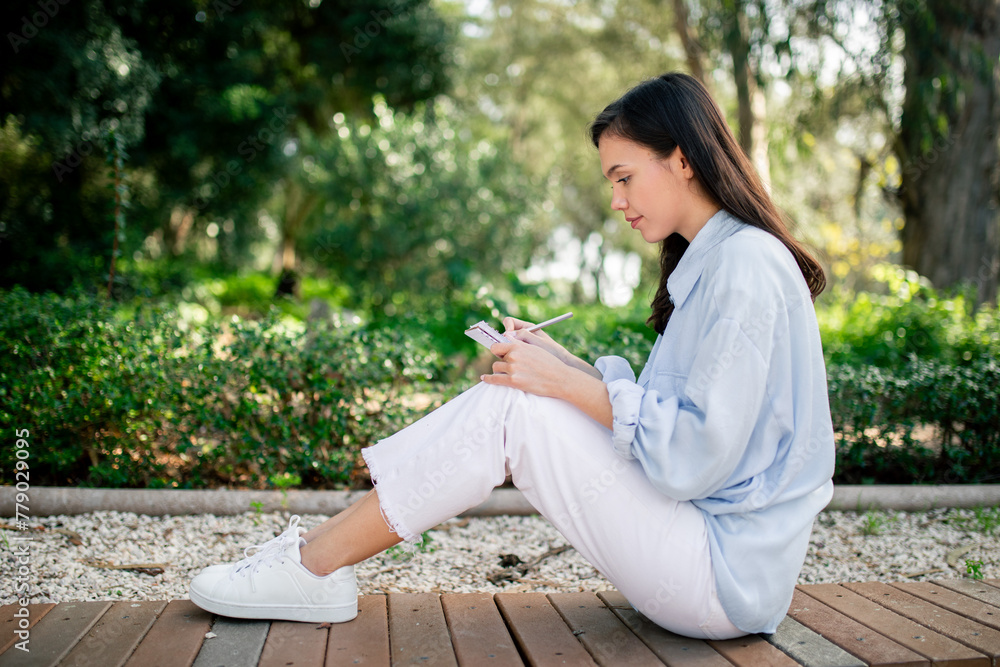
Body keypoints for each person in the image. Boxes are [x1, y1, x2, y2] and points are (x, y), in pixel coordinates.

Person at [188, 72, 835, 640]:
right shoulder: (720, 260)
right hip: (703, 551)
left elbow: (692, 454)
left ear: (683, 159)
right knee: (522, 395)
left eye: (624, 177)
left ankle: (312, 568)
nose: (617, 201)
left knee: (512, 409)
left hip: (721, 576)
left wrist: (566, 386)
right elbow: (670, 419)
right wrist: (565, 367)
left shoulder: (745, 266)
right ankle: (312, 557)